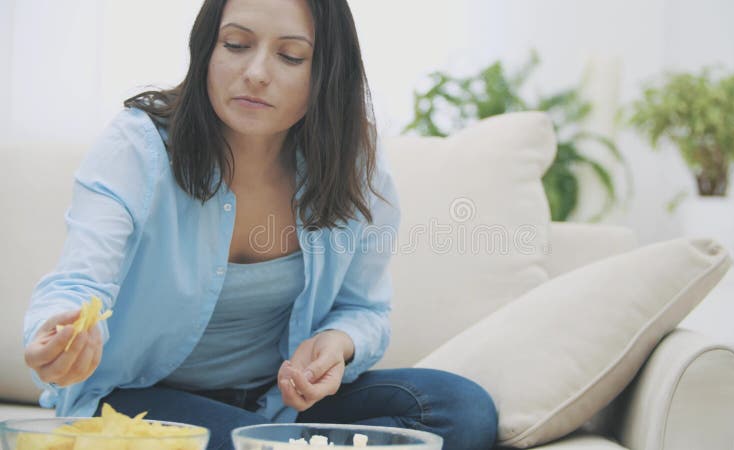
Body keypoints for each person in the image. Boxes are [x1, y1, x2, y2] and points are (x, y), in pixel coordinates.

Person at [21, 1, 498, 449]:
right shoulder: (137, 147)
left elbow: (365, 309)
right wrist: (60, 334)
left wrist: (338, 343)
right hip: (141, 398)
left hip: (277, 402)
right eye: (235, 45)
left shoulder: (351, 162)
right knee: (263, 443)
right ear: (207, 49)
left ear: (326, 72)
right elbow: (80, 282)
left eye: (290, 56)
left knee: (461, 410)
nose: (255, 73)